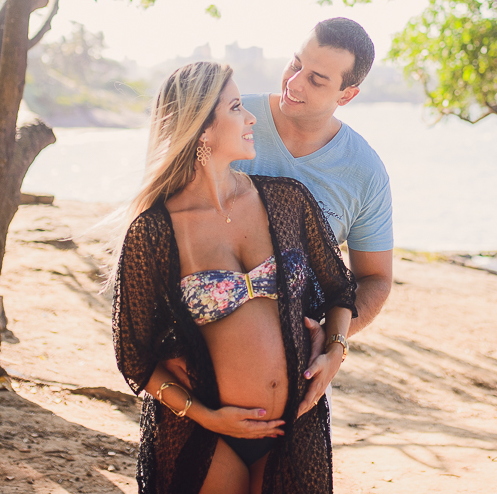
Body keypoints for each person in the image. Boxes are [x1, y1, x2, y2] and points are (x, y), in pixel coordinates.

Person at [113, 61, 357, 494]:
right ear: (202, 128)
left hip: (294, 426)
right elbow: (134, 355)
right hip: (204, 434)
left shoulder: (286, 200)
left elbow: (340, 289)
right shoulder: (154, 231)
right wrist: (204, 415)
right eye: (236, 107)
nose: (251, 118)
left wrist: (333, 352)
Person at [232, 18, 392, 404]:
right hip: (198, 343)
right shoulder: (229, 119)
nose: (294, 82)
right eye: (294, 63)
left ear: (347, 95)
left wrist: (333, 339)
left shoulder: (365, 172)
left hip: (294, 367)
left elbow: (374, 279)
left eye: (317, 79)